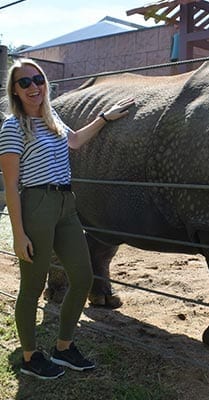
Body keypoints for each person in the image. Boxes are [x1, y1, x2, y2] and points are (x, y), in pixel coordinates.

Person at [0, 58, 135, 380]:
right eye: (25, 83)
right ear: (15, 91)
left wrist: (104, 117)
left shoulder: (51, 117)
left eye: (38, 79)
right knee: (31, 287)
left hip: (66, 204)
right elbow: (10, 186)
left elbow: (73, 141)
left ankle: (63, 348)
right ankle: (31, 356)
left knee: (83, 276)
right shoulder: (12, 126)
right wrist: (19, 234)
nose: (34, 87)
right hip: (36, 205)